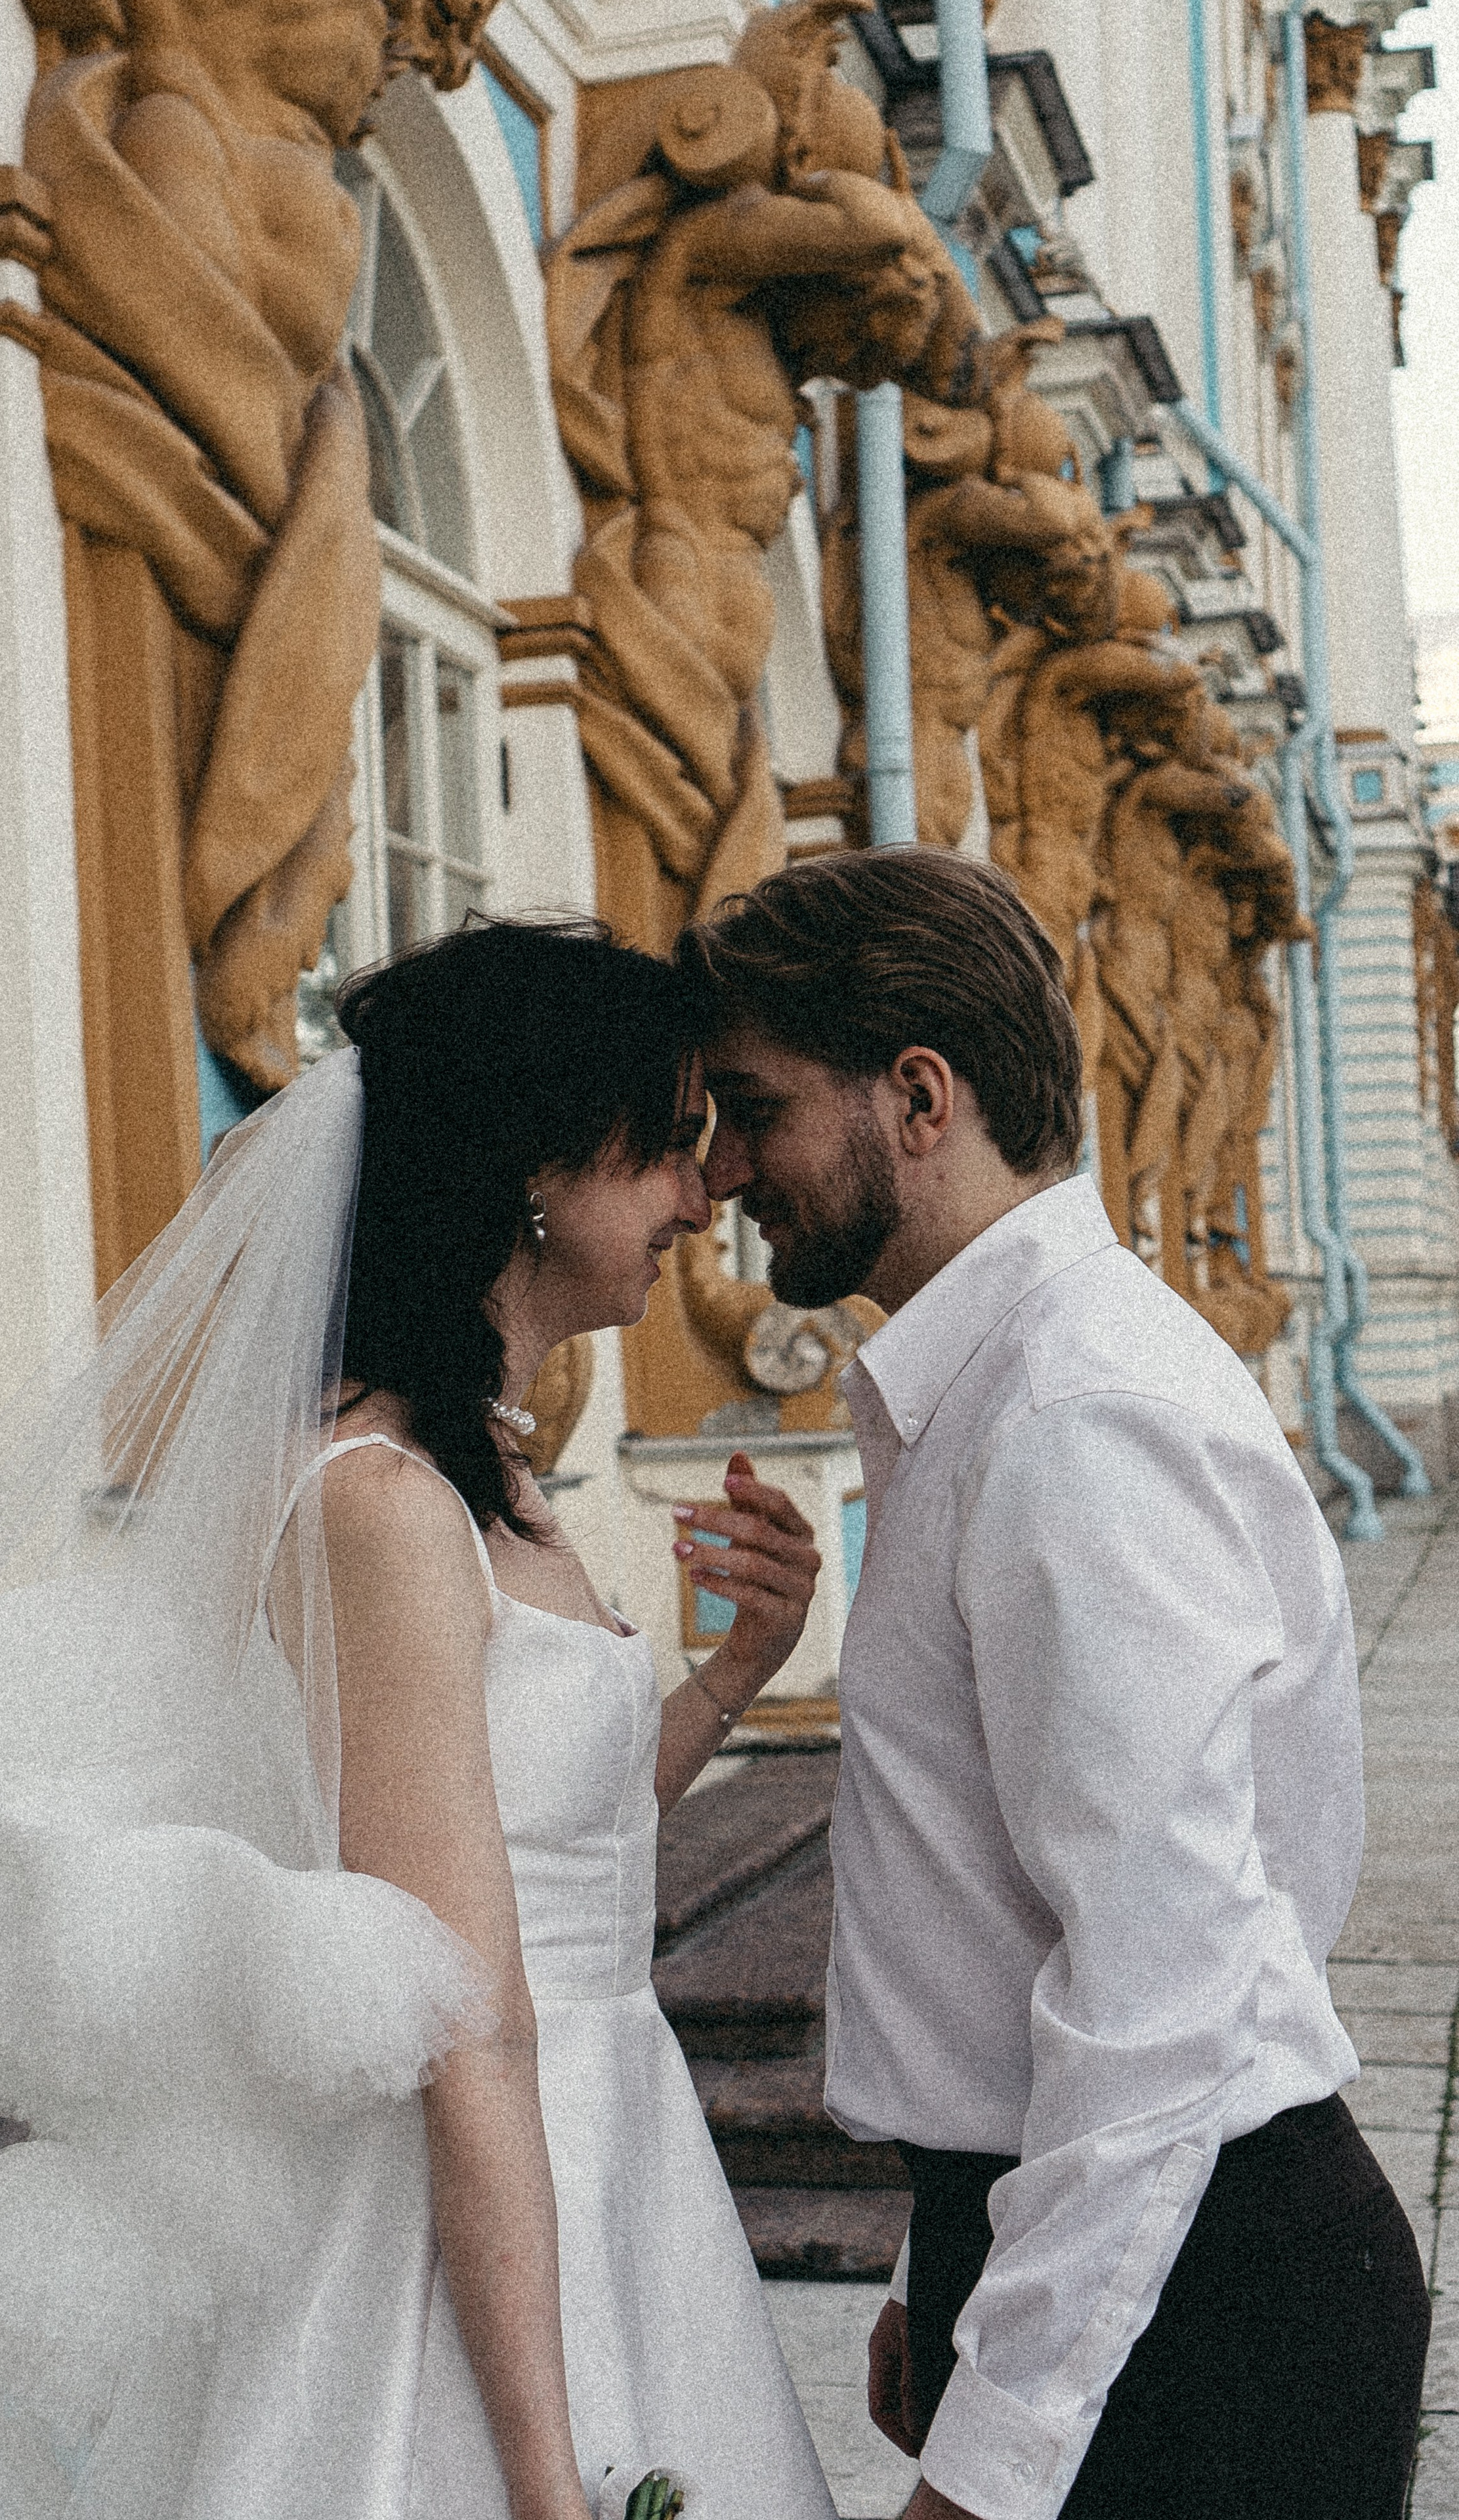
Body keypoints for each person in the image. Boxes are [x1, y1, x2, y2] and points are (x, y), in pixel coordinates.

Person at [0, 919, 835, 2520]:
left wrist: (726, 1677)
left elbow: (555, 1853)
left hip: (609, 2143)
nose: (700, 1197)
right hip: (457, 2196)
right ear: (539, 1170)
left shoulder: (481, 1461)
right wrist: (546, 2482)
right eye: (668, 1149)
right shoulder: (381, 1503)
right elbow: (468, 2014)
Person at [676, 851, 1431, 2520]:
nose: (724, 1172)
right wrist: (947, 2273)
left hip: (1208, 2316)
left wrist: (1003, 2436)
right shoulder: (998, 1388)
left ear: (918, 1096)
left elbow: (1163, 1984)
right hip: (1098, 2247)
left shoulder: (1071, 1414)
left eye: (752, 1109)